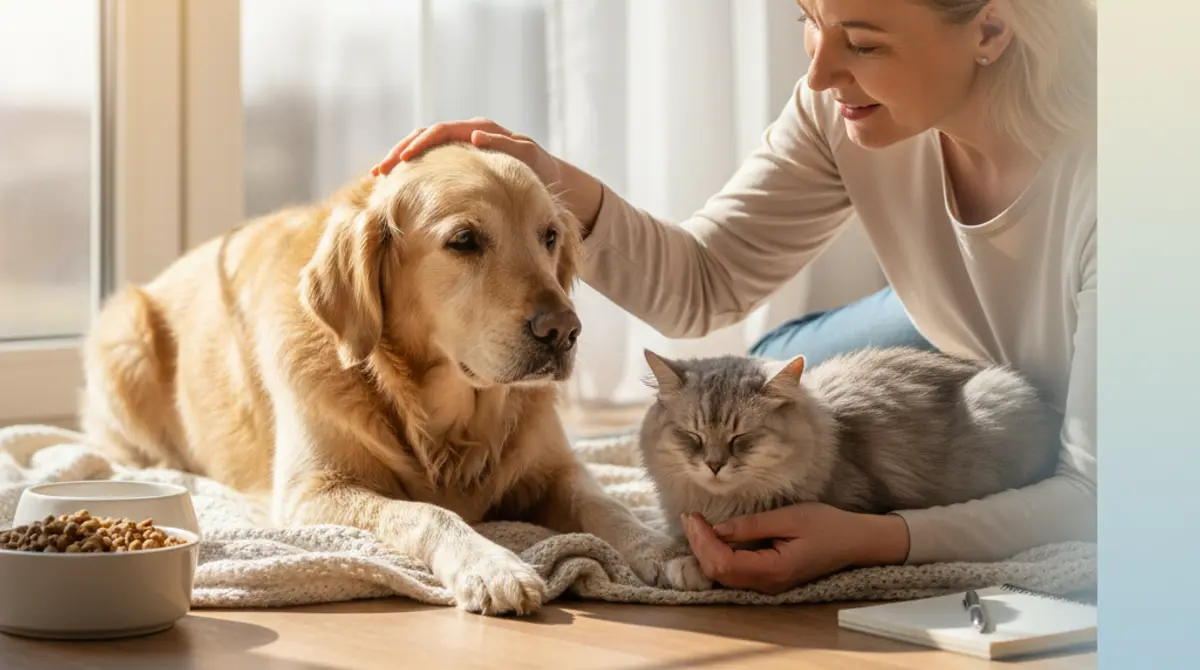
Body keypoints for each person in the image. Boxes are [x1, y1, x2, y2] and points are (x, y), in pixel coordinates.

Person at [372, 0, 1097, 595]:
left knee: (822, 400)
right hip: (966, 322)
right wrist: (553, 177)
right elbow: (706, 280)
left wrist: (876, 539)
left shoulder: (1128, 186)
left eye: (864, 44)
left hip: (1078, 349)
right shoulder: (841, 112)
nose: (817, 75)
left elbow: (1094, 495)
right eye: (808, 20)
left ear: (991, 31)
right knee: (773, 370)